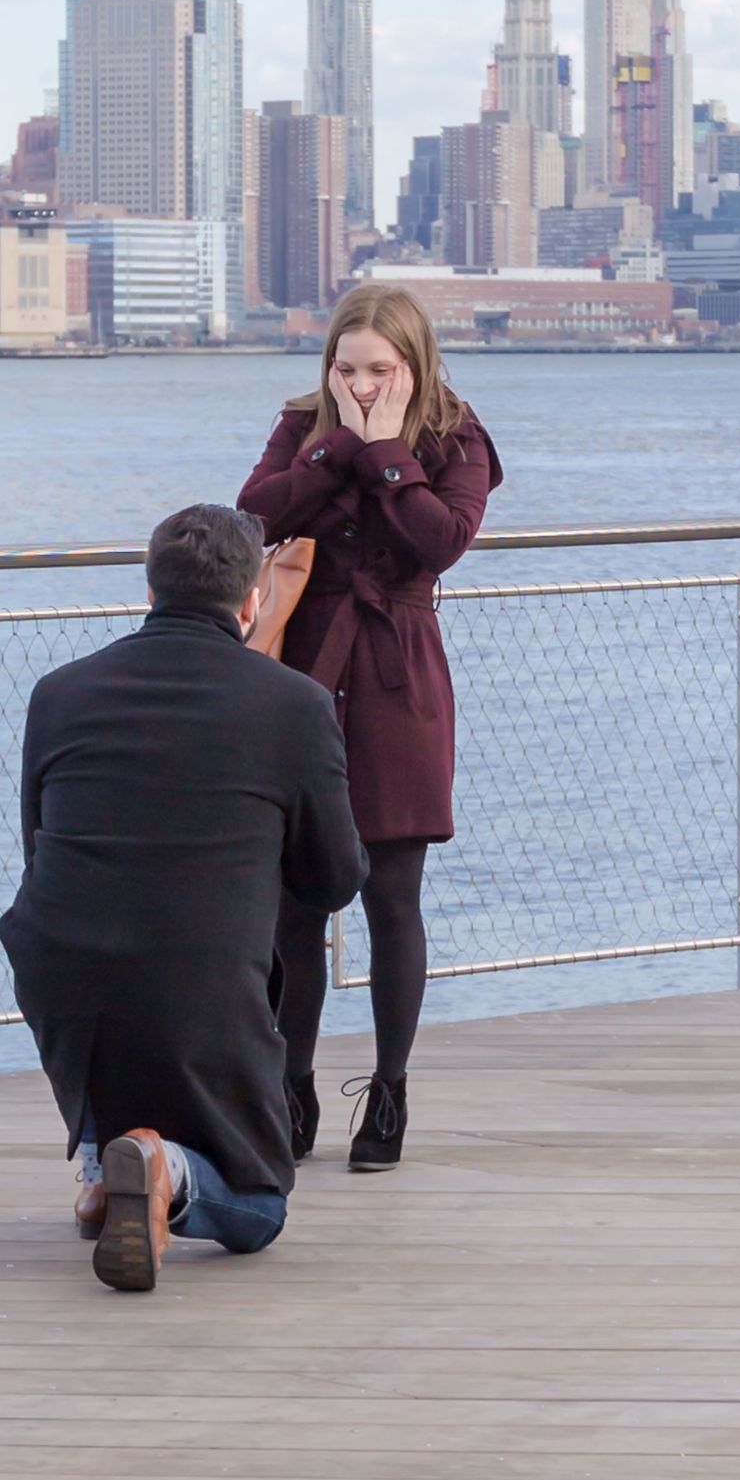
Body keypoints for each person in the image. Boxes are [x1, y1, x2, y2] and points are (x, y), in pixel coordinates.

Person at [0, 502, 367, 1293]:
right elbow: (335, 876)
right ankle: (165, 1172)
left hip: (63, 971)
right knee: (261, 1206)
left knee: (98, 954)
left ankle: (107, 1163)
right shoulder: (293, 703)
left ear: (151, 588)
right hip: (202, 980)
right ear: (252, 600)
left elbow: (39, 845)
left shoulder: (59, 691)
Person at [238, 280, 502, 1173]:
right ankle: (292, 1087)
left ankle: (388, 1091)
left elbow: (442, 539)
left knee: (394, 896)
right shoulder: (305, 423)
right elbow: (254, 514)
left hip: (398, 673)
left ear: (414, 364)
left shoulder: (455, 436)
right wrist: (338, 445)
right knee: (294, 907)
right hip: (305, 674)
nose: (356, 382)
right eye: (344, 367)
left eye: (377, 369)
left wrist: (388, 451)